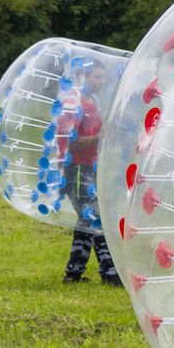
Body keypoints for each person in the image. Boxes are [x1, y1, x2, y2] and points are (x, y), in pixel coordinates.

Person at [58, 60, 120, 286]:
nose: (101, 82)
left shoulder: (93, 101)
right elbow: (68, 143)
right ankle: (110, 272)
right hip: (74, 170)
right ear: (83, 77)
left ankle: (73, 273)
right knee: (95, 218)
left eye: (103, 77)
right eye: (97, 77)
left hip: (89, 169)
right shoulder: (74, 105)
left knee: (87, 220)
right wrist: (98, 138)